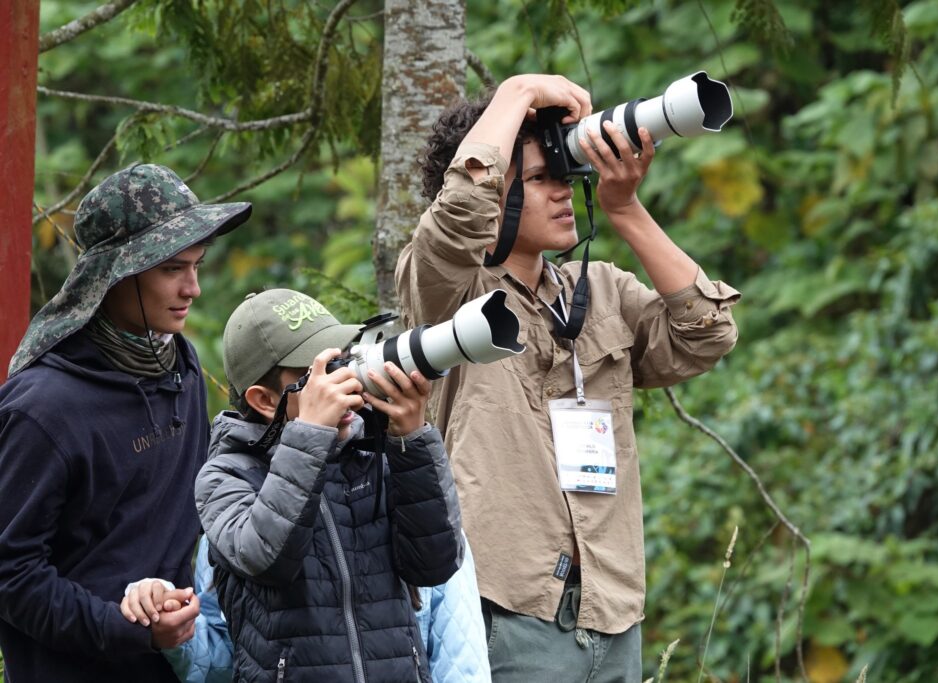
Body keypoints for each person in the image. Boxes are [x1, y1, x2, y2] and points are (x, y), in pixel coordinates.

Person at [396, 74, 741, 681]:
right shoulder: (449, 294)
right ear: (495, 193)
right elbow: (455, 221)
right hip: (507, 610)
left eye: (566, 175)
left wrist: (626, 209)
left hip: (612, 610)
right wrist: (517, 93)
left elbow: (707, 333)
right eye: (538, 179)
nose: (563, 191)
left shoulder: (599, 290)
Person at [0, 163, 252, 681]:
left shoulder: (179, 363)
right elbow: (11, 576)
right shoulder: (42, 409)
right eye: (171, 269)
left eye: (198, 265)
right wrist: (126, 628)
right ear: (113, 274)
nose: (193, 289)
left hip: (181, 666)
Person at [192, 288, 464, 682]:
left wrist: (411, 440)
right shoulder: (227, 474)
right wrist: (311, 433)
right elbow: (266, 557)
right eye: (315, 374)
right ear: (266, 400)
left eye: (341, 362)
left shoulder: (370, 455)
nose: (340, 382)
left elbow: (434, 563)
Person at [122, 530, 491, 683]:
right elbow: (222, 666)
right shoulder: (235, 519)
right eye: (302, 380)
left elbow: (463, 667)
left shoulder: (418, 509)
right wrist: (172, 625)